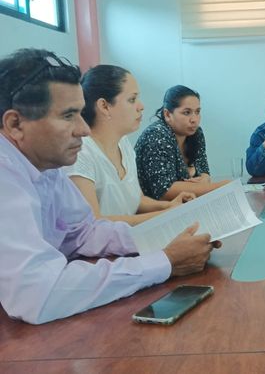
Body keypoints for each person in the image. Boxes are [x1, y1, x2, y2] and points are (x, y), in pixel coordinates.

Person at [0, 49, 218, 325]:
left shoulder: (46, 165)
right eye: (68, 116)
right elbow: (38, 293)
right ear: (15, 124)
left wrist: (168, 234)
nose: (84, 129)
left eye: (81, 113)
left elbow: (83, 232)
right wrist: (165, 262)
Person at [65, 65, 194, 225]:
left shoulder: (123, 143)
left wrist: (169, 206)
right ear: (104, 106)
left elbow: (136, 200)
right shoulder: (81, 153)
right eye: (132, 99)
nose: (141, 106)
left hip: (130, 237)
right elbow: (94, 222)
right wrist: (166, 214)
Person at [135, 85, 228, 200]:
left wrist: (204, 179)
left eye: (197, 112)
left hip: (186, 204)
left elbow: (204, 170)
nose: (194, 119)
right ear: (167, 114)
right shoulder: (156, 135)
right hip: (155, 208)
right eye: (187, 112)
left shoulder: (196, 133)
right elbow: (164, 190)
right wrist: (218, 187)